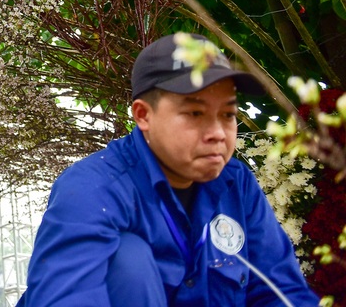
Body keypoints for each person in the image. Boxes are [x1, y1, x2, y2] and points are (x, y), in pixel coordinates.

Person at [17, 33, 319, 307]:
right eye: (195, 113)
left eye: (228, 114)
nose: (217, 132)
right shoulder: (92, 189)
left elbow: (281, 292)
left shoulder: (236, 183)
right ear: (143, 115)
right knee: (128, 260)